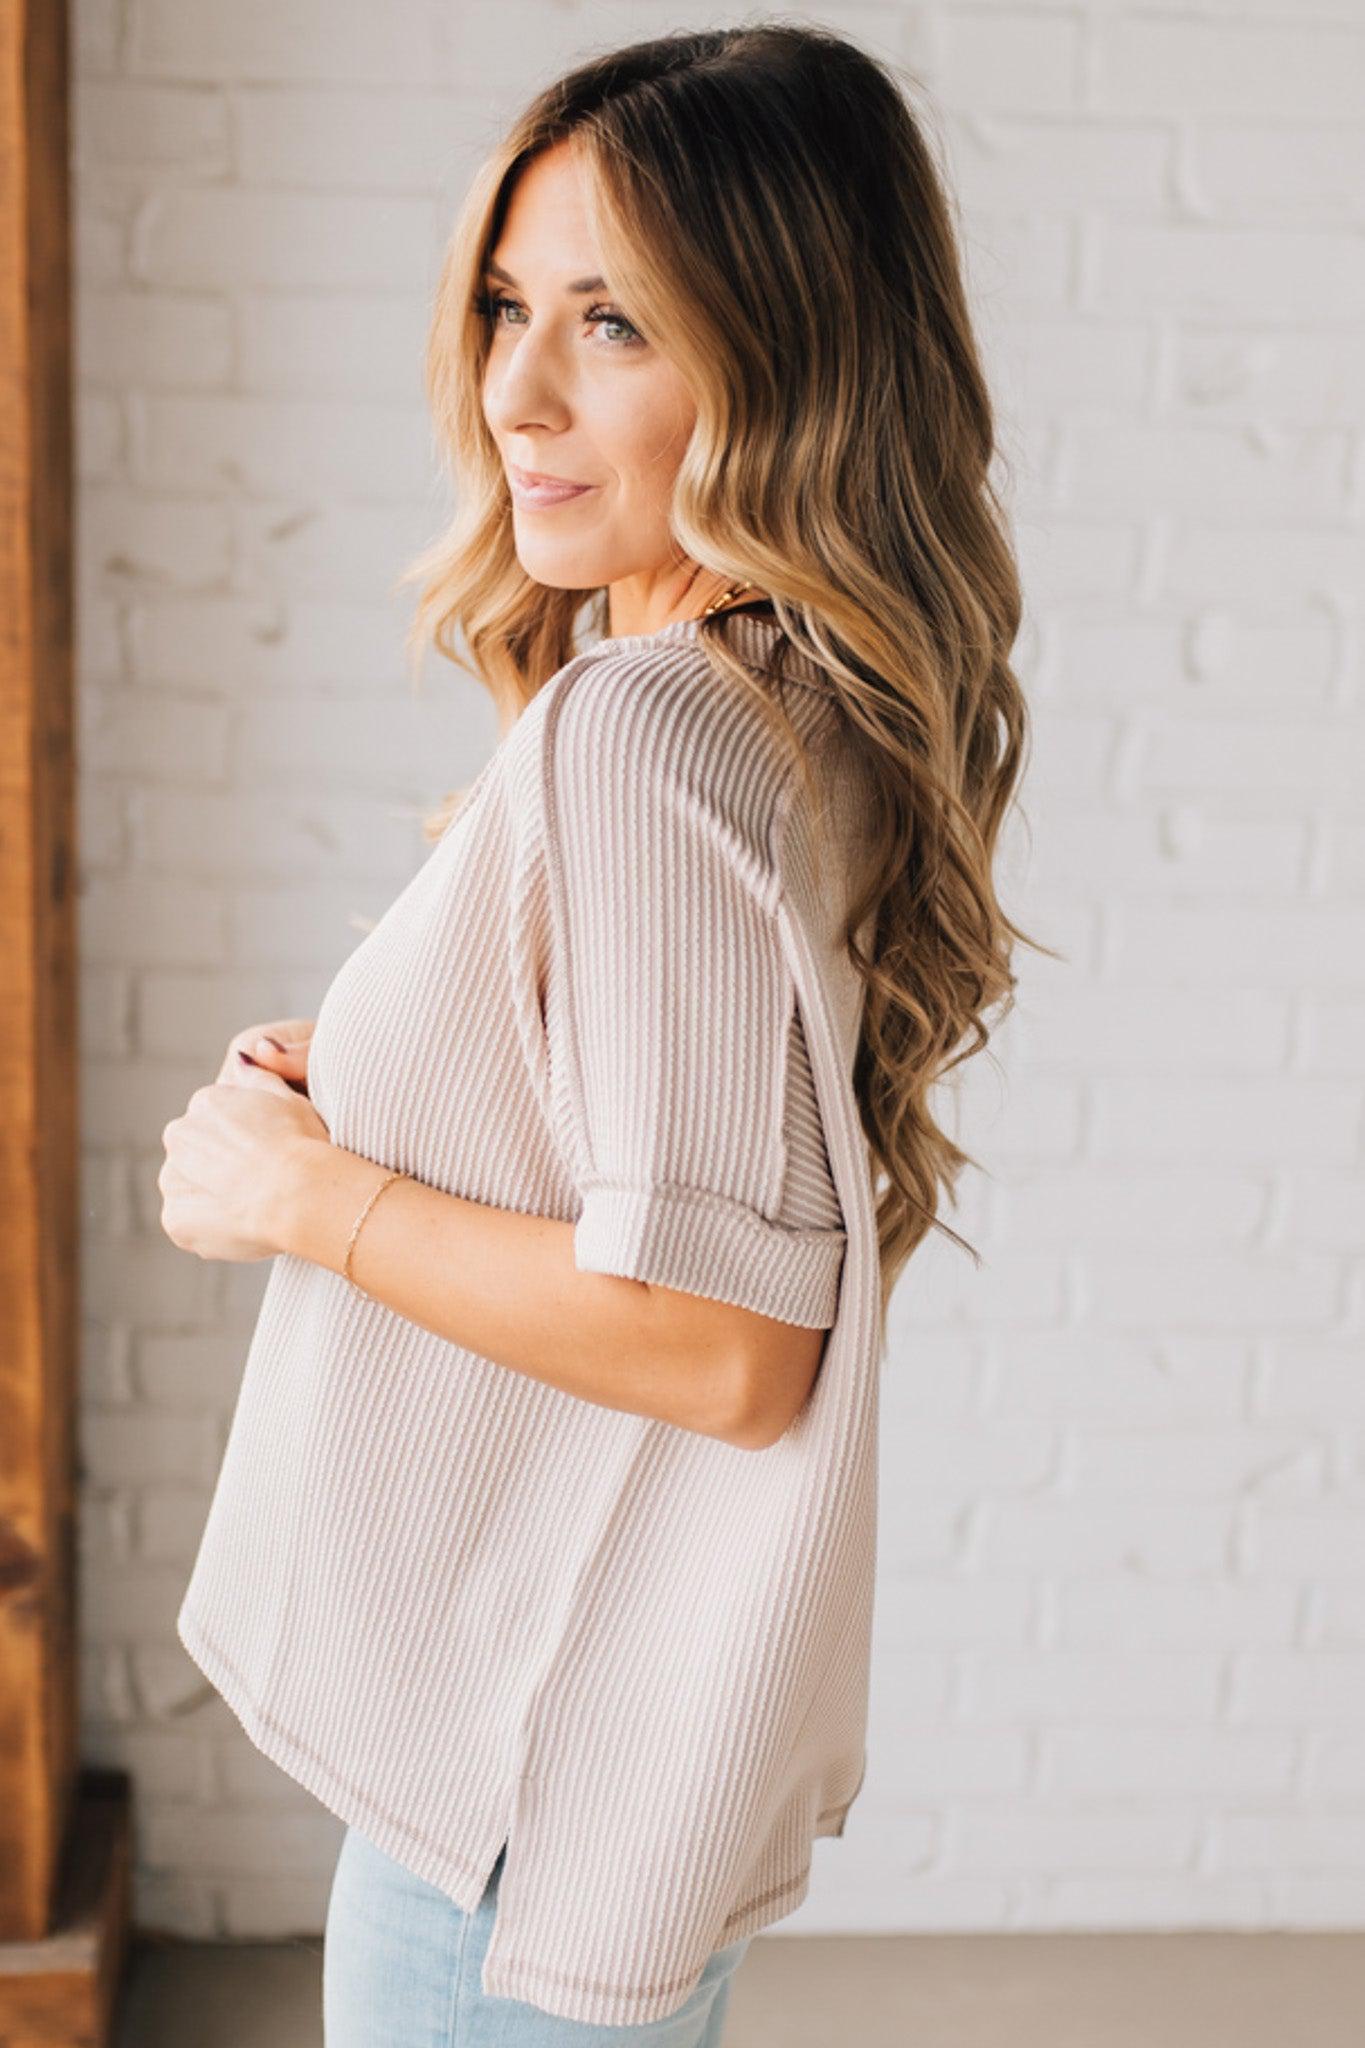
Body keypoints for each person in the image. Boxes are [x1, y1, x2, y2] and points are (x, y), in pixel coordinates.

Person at [159, 21, 1040, 2045]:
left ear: (787, 357)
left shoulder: (641, 732)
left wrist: (313, 1197)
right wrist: (401, 1082)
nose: (515, 393)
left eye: (613, 324)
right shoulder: (784, 697)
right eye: (503, 306)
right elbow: (695, 1153)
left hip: (514, 1788)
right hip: (605, 1747)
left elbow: (726, 1344)